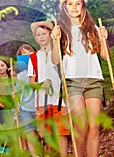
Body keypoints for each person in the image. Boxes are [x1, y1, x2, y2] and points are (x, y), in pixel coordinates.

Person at [51, 0, 109, 157]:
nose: (74, 7)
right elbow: (56, 60)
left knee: (94, 126)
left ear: (83, 6)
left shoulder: (94, 28)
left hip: (94, 80)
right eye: (70, 4)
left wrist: (103, 39)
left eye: (78, 3)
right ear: (65, 7)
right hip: (72, 81)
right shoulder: (60, 30)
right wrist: (55, 41)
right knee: (81, 126)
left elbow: (105, 56)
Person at [28, 21, 70, 157]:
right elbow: (31, 82)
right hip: (41, 101)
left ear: (50, 34)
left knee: (61, 130)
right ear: (35, 38)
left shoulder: (58, 51)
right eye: (38, 35)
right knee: (45, 133)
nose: (41, 37)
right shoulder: (33, 57)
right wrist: (41, 85)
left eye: (44, 34)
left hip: (58, 98)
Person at [15, 44, 42, 157]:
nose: (27, 56)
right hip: (25, 107)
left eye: (29, 53)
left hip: (39, 105)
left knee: (41, 135)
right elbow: (18, 92)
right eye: (24, 54)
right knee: (30, 135)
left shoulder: (40, 69)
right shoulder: (20, 75)